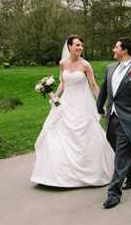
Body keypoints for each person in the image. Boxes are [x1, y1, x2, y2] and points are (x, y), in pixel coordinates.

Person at [30, 35, 114, 187]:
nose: (80, 48)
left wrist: (101, 104)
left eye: (82, 45)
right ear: (69, 46)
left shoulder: (86, 65)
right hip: (66, 102)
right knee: (58, 134)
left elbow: (94, 86)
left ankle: (90, 173)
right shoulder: (62, 63)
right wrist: (55, 95)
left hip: (82, 104)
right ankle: (57, 176)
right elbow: (63, 81)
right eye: (77, 45)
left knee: (84, 135)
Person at [96, 37, 131, 209]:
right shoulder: (110, 67)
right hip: (112, 118)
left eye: (116, 47)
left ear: (125, 50)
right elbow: (104, 90)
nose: (113, 50)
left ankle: (114, 194)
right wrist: (100, 108)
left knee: (121, 157)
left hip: (129, 121)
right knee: (118, 149)